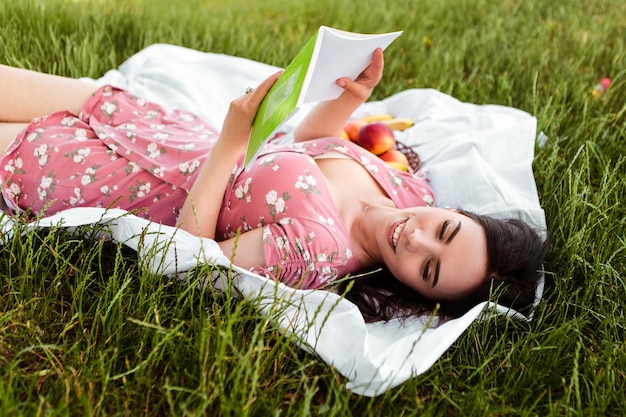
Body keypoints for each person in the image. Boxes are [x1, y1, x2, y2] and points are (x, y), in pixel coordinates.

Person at [0, 49, 548, 321]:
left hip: (110, 178)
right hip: (160, 129)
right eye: (445, 232)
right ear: (454, 212)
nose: (417, 241)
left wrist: (231, 144)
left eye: (428, 270)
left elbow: (189, 257)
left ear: (416, 292)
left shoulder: (317, 251)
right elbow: (314, 142)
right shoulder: (407, 192)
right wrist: (351, 99)